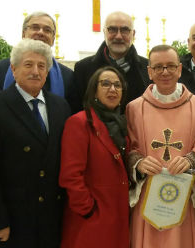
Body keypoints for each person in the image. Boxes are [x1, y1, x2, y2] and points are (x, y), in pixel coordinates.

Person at [0, 39, 71, 248]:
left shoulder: (60, 106)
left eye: (41, 66)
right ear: (14, 69)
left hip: (52, 218)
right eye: (28, 65)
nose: (35, 71)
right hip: (14, 220)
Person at [126, 44, 195, 248]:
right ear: (149, 72)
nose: (165, 72)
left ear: (180, 69)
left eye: (171, 66)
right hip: (147, 196)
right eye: (158, 67)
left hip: (185, 196)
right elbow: (127, 147)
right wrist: (138, 163)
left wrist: (191, 159)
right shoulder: (134, 108)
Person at [58, 66, 130, 248]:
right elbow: (71, 175)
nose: (112, 89)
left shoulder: (123, 125)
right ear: (94, 90)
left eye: (117, 85)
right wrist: (88, 210)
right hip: (91, 219)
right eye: (105, 84)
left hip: (118, 214)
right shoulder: (80, 122)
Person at [70, 11, 150, 113]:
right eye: (112, 30)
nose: (118, 36)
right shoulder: (83, 68)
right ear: (104, 33)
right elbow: (78, 110)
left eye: (125, 30)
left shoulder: (148, 68)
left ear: (133, 34)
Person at [0, 11, 74, 101]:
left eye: (47, 30)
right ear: (23, 34)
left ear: (53, 39)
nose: (41, 32)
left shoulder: (67, 76)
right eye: (35, 27)